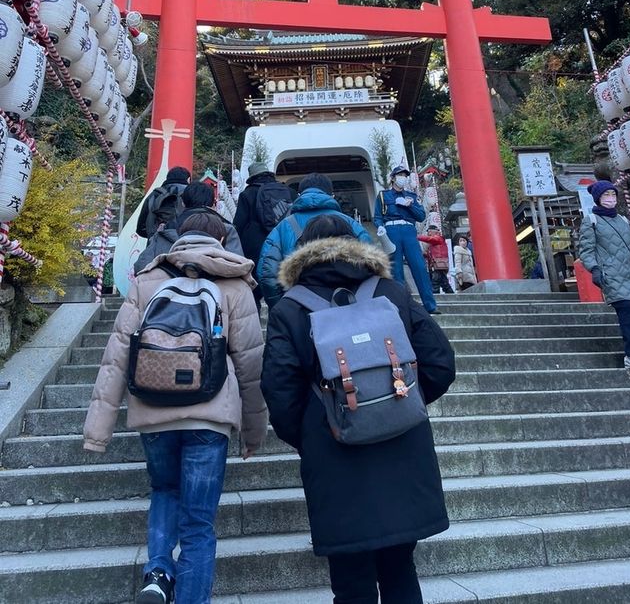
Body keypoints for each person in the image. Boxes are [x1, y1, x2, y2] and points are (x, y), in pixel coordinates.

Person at [261, 214, 456, 604]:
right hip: (403, 447)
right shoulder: (391, 292)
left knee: (350, 581)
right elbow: (439, 363)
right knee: (401, 571)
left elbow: (279, 391)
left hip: (334, 454)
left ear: (302, 253)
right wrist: (401, 402)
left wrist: (314, 431)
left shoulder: (290, 308)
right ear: (357, 243)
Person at [83, 212, 267, 604]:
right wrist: (254, 432)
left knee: (165, 490)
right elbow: (251, 367)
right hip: (210, 415)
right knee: (199, 524)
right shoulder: (235, 286)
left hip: (153, 409)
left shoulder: (148, 281)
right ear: (222, 239)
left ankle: (158, 572)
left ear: (179, 237)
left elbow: (116, 357)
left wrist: (98, 431)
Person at [257, 173, 371, 309]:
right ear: (331, 195)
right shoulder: (351, 223)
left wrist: (282, 306)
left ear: (299, 195)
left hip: (301, 306)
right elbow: (371, 264)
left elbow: (267, 273)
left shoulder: (282, 227)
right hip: (347, 304)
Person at [578, 180, 630, 373]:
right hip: (611, 275)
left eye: (613, 195)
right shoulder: (591, 221)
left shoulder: (623, 220)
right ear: (598, 198)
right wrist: (594, 269)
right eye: (606, 195)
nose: (610, 199)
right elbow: (586, 250)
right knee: (626, 312)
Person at [133, 181, 243, 274]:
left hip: (171, 293)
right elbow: (239, 266)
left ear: (183, 203)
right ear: (213, 204)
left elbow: (141, 266)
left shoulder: (167, 229)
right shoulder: (227, 229)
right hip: (217, 295)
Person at [373, 165, 438, 314]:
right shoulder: (383, 196)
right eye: (400, 175)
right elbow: (377, 216)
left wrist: (409, 206)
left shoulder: (411, 196)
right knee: (396, 270)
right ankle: (400, 307)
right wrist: (380, 227)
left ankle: (430, 305)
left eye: (405, 175)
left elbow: (421, 216)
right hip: (391, 230)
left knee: (419, 266)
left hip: (409, 230)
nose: (403, 178)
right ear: (393, 178)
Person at [233, 162, 294, 307]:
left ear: (253, 177)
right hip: (283, 244)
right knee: (282, 288)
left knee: (254, 290)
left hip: (255, 248)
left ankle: (256, 323)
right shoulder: (288, 192)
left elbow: (238, 225)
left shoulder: (247, 194)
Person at [135, 166, 191, 239]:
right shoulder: (191, 195)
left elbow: (141, 229)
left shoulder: (154, 195)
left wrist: (155, 235)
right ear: (188, 179)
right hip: (184, 244)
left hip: (156, 246)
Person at [418, 225, 453, 294]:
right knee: (443, 281)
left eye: (429, 231)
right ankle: (449, 292)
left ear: (435, 231)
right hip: (437, 263)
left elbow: (430, 239)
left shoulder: (438, 238)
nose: (428, 233)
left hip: (438, 263)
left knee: (435, 280)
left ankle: (435, 293)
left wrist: (418, 237)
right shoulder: (436, 241)